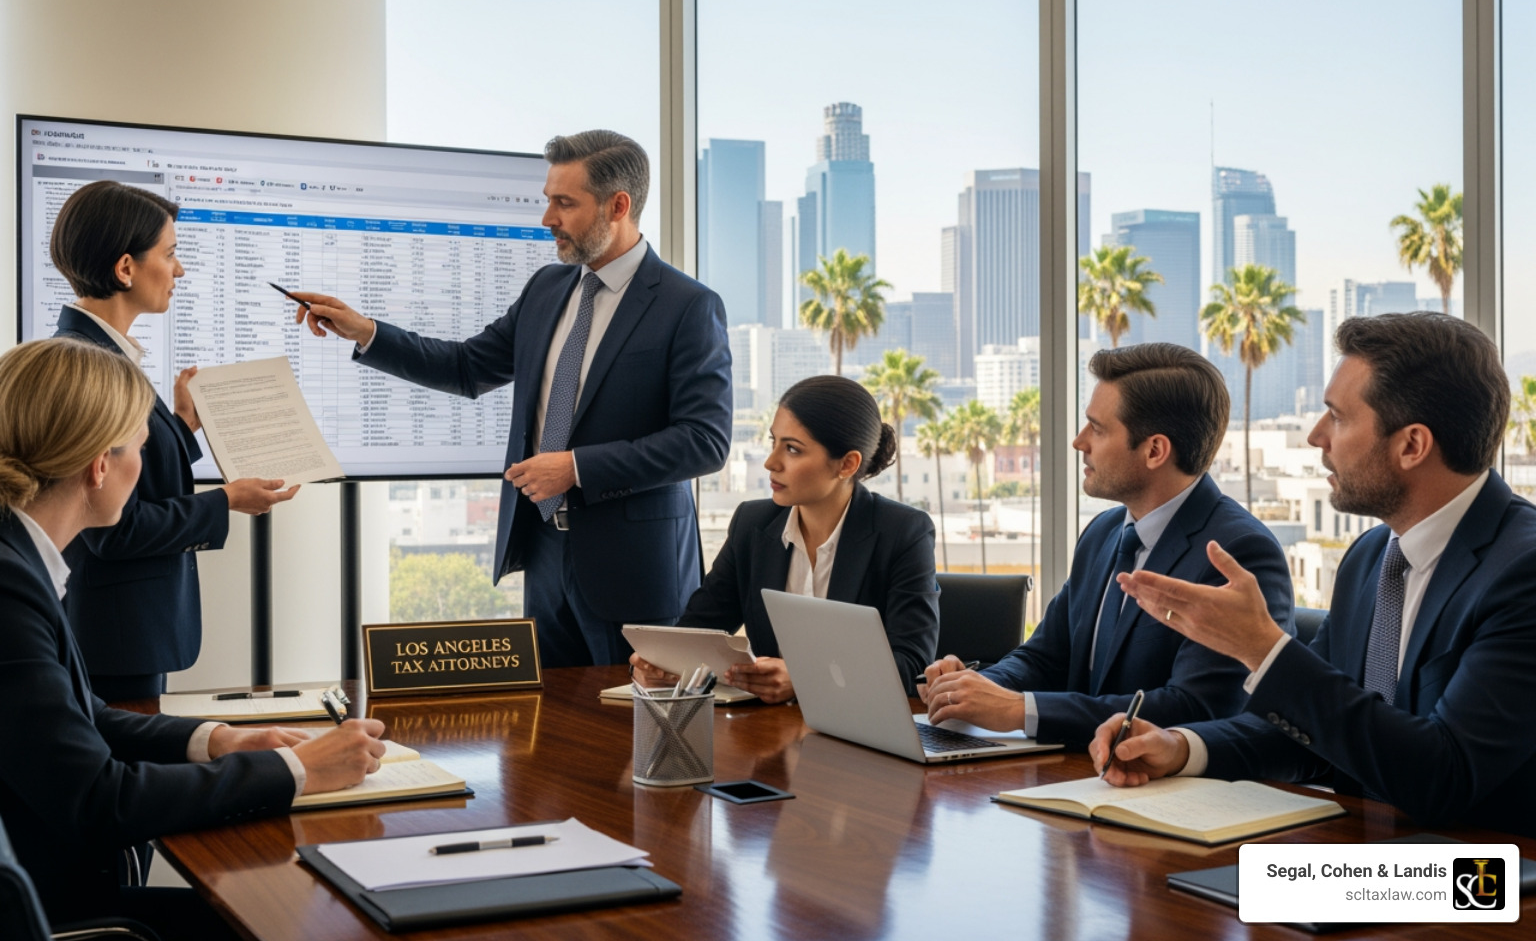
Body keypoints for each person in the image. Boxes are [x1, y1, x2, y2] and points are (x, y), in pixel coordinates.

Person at [292, 130, 732, 668]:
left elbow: (705, 441)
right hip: (544, 555)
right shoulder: (547, 288)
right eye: (548, 200)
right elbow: (466, 367)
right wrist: (367, 331)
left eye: (564, 203)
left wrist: (576, 468)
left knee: (635, 718)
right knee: (552, 716)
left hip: (636, 570)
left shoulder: (688, 306)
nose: (548, 218)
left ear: (618, 206)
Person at [1092, 313, 1536, 837]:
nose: (1315, 435)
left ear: (1412, 446)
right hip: (1358, 856)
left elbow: (1445, 776)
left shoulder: (1523, 571)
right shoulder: (1370, 557)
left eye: (1338, 418)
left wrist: (1264, 650)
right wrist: (1183, 747)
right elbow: (1312, 734)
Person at [0, 337, 386, 940]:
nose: (143, 467)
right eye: (142, 449)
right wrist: (295, 768)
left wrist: (220, 739)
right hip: (59, 913)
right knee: (302, 921)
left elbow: (85, 717)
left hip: (53, 886)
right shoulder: (10, 586)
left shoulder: (20, 560)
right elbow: (101, 800)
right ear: (99, 466)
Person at [921, 343, 1294, 745]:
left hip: (1161, 782)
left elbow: (1195, 709)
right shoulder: (1103, 531)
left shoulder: (1237, 554)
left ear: (1154, 450)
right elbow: (1046, 657)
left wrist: (1018, 710)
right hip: (1079, 769)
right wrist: (969, 689)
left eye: (1097, 429)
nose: (1079, 442)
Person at [49, 179, 300, 701]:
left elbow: (128, 479)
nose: (179, 270)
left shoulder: (101, 353)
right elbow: (112, 528)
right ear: (126, 268)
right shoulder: (90, 366)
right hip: (115, 637)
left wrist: (182, 425)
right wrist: (226, 501)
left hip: (123, 629)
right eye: (169, 254)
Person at [630, 376, 940, 702]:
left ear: (847, 464)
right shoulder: (752, 524)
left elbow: (913, 667)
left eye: (792, 449)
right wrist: (659, 665)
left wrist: (807, 679)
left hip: (861, 727)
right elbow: (696, 631)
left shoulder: (904, 532)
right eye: (773, 442)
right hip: (768, 725)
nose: (771, 462)